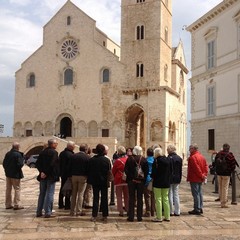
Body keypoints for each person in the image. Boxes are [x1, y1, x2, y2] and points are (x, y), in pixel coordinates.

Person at [36, 139, 59, 218]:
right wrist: (45, 172)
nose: (57, 145)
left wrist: (42, 172)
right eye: (56, 143)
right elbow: (52, 164)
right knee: (49, 193)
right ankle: (48, 212)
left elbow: (37, 163)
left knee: (42, 193)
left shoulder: (42, 152)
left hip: (42, 176)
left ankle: (39, 211)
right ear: (52, 144)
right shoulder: (54, 153)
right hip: (50, 176)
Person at [87, 144, 111, 223]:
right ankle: (105, 215)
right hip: (104, 181)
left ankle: (94, 215)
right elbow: (109, 171)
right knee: (104, 198)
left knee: (96, 198)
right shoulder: (106, 160)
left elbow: (89, 170)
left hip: (95, 181)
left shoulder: (92, 160)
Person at [124, 145, 148, 222]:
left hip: (131, 181)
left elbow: (126, 170)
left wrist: (131, 178)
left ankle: (131, 216)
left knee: (131, 198)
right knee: (140, 198)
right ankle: (139, 216)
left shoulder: (130, 159)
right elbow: (146, 172)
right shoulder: (144, 159)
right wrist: (143, 180)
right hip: (140, 182)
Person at [187, 144, 208, 215]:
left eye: (190, 149)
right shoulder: (202, 156)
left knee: (195, 194)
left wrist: (201, 175)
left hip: (194, 177)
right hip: (200, 178)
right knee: (199, 193)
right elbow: (205, 166)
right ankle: (200, 207)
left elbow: (196, 168)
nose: (189, 150)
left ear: (194, 149)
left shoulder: (193, 157)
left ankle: (197, 208)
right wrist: (204, 175)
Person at [69, 143, 90, 216]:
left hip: (74, 176)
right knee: (80, 194)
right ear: (86, 150)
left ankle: (72, 211)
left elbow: (70, 166)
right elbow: (88, 169)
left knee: (74, 194)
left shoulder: (73, 156)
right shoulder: (87, 157)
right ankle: (78, 210)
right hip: (83, 177)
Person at [3, 142, 25, 210]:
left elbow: (4, 163)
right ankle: (16, 204)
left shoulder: (8, 154)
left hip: (8, 174)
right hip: (15, 175)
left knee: (8, 189)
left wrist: (7, 170)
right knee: (17, 189)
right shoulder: (18, 155)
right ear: (18, 147)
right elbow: (20, 164)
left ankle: (8, 204)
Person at [215, 143, 237, 208]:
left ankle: (221, 199)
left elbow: (215, 162)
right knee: (225, 188)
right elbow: (233, 164)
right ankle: (224, 203)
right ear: (228, 148)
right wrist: (231, 170)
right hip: (226, 174)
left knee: (221, 187)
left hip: (219, 173)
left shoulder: (218, 154)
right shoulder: (230, 155)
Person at [151, 147, 170, 222]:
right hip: (166, 182)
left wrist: (152, 176)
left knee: (158, 199)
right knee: (166, 199)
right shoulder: (167, 160)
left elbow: (154, 173)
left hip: (158, 183)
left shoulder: (156, 161)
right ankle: (167, 216)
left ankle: (159, 217)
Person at [112, 146, 129, 217]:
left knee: (119, 196)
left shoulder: (117, 161)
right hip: (127, 179)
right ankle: (128, 209)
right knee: (127, 196)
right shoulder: (128, 159)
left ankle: (121, 211)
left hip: (119, 179)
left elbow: (113, 171)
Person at [58, 141, 75, 210]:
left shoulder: (62, 153)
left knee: (62, 188)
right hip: (68, 175)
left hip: (62, 174)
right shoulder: (71, 155)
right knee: (68, 189)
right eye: (73, 146)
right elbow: (70, 166)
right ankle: (67, 205)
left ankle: (61, 204)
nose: (74, 148)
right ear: (70, 147)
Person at [167, 144, 182, 216]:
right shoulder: (179, 158)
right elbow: (180, 170)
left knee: (170, 194)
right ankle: (177, 210)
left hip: (170, 178)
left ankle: (170, 210)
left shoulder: (169, 158)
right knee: (176, 194)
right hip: (177, 178)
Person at [143, 147, 155, 217]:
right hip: (153, 179)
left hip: (147, 180)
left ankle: (148, 211)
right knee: (153, 196)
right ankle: (153, 211)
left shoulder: (145, 160)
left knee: (147, 196)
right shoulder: (155, 160)